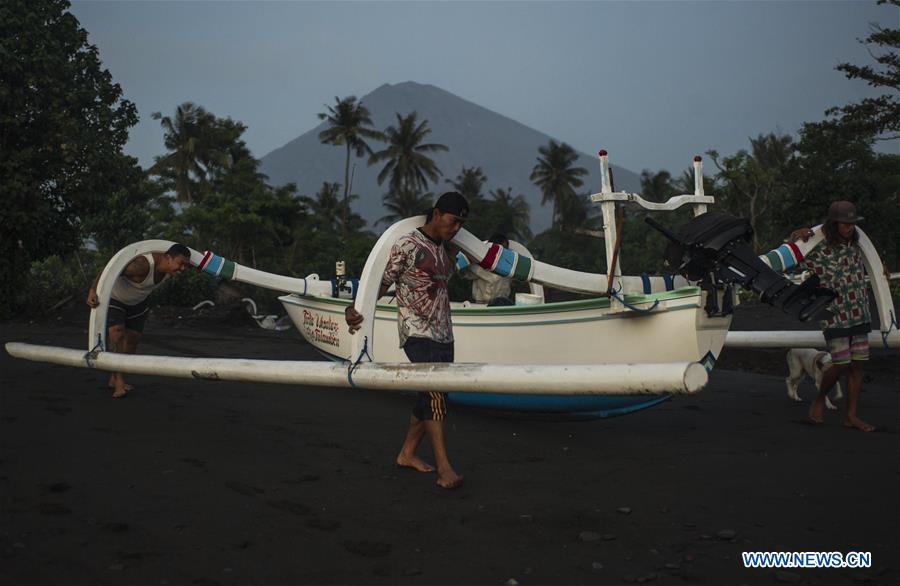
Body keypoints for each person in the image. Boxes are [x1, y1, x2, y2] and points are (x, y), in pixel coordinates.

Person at [344, 192, 468, 489]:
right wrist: (356, 311)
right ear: (436, 214)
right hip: (417, 333)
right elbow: (382, 282)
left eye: (462, 224)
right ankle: (444, 468)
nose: (456, 229)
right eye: (453, 221)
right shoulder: (408, 245)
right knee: (435, 395)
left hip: (443, 334)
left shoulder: (445, 249)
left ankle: (407, 454)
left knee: (433, 396)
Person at [790, 201, 874, 432]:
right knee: (839, 363)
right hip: (835, 313)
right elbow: (791, 256)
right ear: (833, 223)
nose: (848, 228)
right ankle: (818, 402)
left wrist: (881, 269)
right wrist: (795, 236)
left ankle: (851, 416)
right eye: (844, 224)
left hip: (860, 309)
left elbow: (872, 265)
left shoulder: (858, 244)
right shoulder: (818, 246)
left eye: (851, 224)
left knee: (857, 366)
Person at [86, 243, 192, 398]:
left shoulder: (170, 268)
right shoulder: (142, 265)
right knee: (117, 334)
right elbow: (107, 270)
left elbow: (200, 261)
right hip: (115, 299)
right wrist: (92, 291)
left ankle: (114, 377)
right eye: (180, 264)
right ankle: (119, 381)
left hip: (138, 302)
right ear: (168, 257)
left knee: (133, 339)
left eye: (186, 265)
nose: (183, 268)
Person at [461, 233, 513, 306]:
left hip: (502, 304)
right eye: (502, 250)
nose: (503, 253)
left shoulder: (509, 265)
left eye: (506, 250)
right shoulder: (477, 263)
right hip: (481, 305)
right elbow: (464, 272)